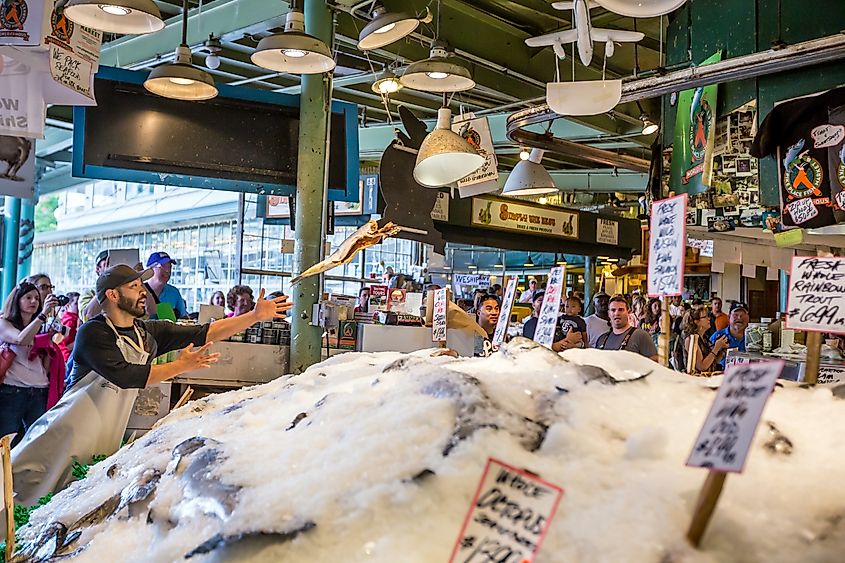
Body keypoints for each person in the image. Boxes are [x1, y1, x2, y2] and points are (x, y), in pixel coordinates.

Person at [11, 264, 293, 505]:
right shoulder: (93, 332)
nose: (143, 291)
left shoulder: (147, 333)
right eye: (134, 286)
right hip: (61, 435)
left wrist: (254, 317)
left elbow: (205, 330)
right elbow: (125, 375)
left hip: (101, 438)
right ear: (113, 294)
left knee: (65, 505)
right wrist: (179, 367)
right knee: (21, 496)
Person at [0, 282, 58, 446]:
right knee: (6, 442)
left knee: (36, 443)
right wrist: (42, 316)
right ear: (16, 300)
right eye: (28, 298)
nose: (34, 302)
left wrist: (49, 342)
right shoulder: (4, 323)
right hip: (12, 391)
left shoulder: (41, 327)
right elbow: (20, 339)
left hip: (39, 390)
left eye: (37, 299)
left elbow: (44, 366)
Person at [591, 295, 658, 361]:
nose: (617, 313)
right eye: (613, 310)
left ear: (628, 312)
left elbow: (655, 361)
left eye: (621, 310)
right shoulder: (601, 340)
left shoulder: (641, 336)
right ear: (609, 314)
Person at [674, 308, 729, 373]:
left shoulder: (704, 337)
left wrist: (721, 350)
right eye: (705, 317)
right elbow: (701, 366)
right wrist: (716, 348)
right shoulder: (691, 339)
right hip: (697, 380)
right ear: (696, 321)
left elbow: (712, 362)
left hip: (708, 378)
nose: (709, 319)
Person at [144, 251, 188, 319]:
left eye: (169, 267)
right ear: (150, 269)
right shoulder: (140, 291)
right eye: (163, 266)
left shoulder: (174, 292)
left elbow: (184, 317)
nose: (167, 271)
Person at [709, 302, 749, 370]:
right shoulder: (717, 336)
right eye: (735, 315)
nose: (739, 318)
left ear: (748, 318)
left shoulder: (754, 338)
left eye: (742, 315)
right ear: (729, 317)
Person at [80, 250, 110, 322]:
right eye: (107, 264)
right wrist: (107, 281)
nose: (112, 267)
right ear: (97, 269)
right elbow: (87, 316)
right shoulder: (89, 293)